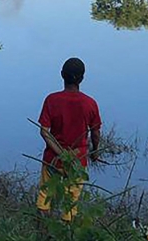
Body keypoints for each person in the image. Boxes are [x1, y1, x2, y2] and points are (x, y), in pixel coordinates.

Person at [36, 57, 102, 222]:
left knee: (45, 197)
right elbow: (95, 133)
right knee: (71, 202)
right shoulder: (90, 103)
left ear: (61, 75)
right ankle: (66, 233)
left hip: (52, 160)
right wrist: (94, 152)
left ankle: (43, 232)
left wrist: (60, 153)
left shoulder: (51, 100)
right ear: (82, 78)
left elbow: (44, 132)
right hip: (78, 161)